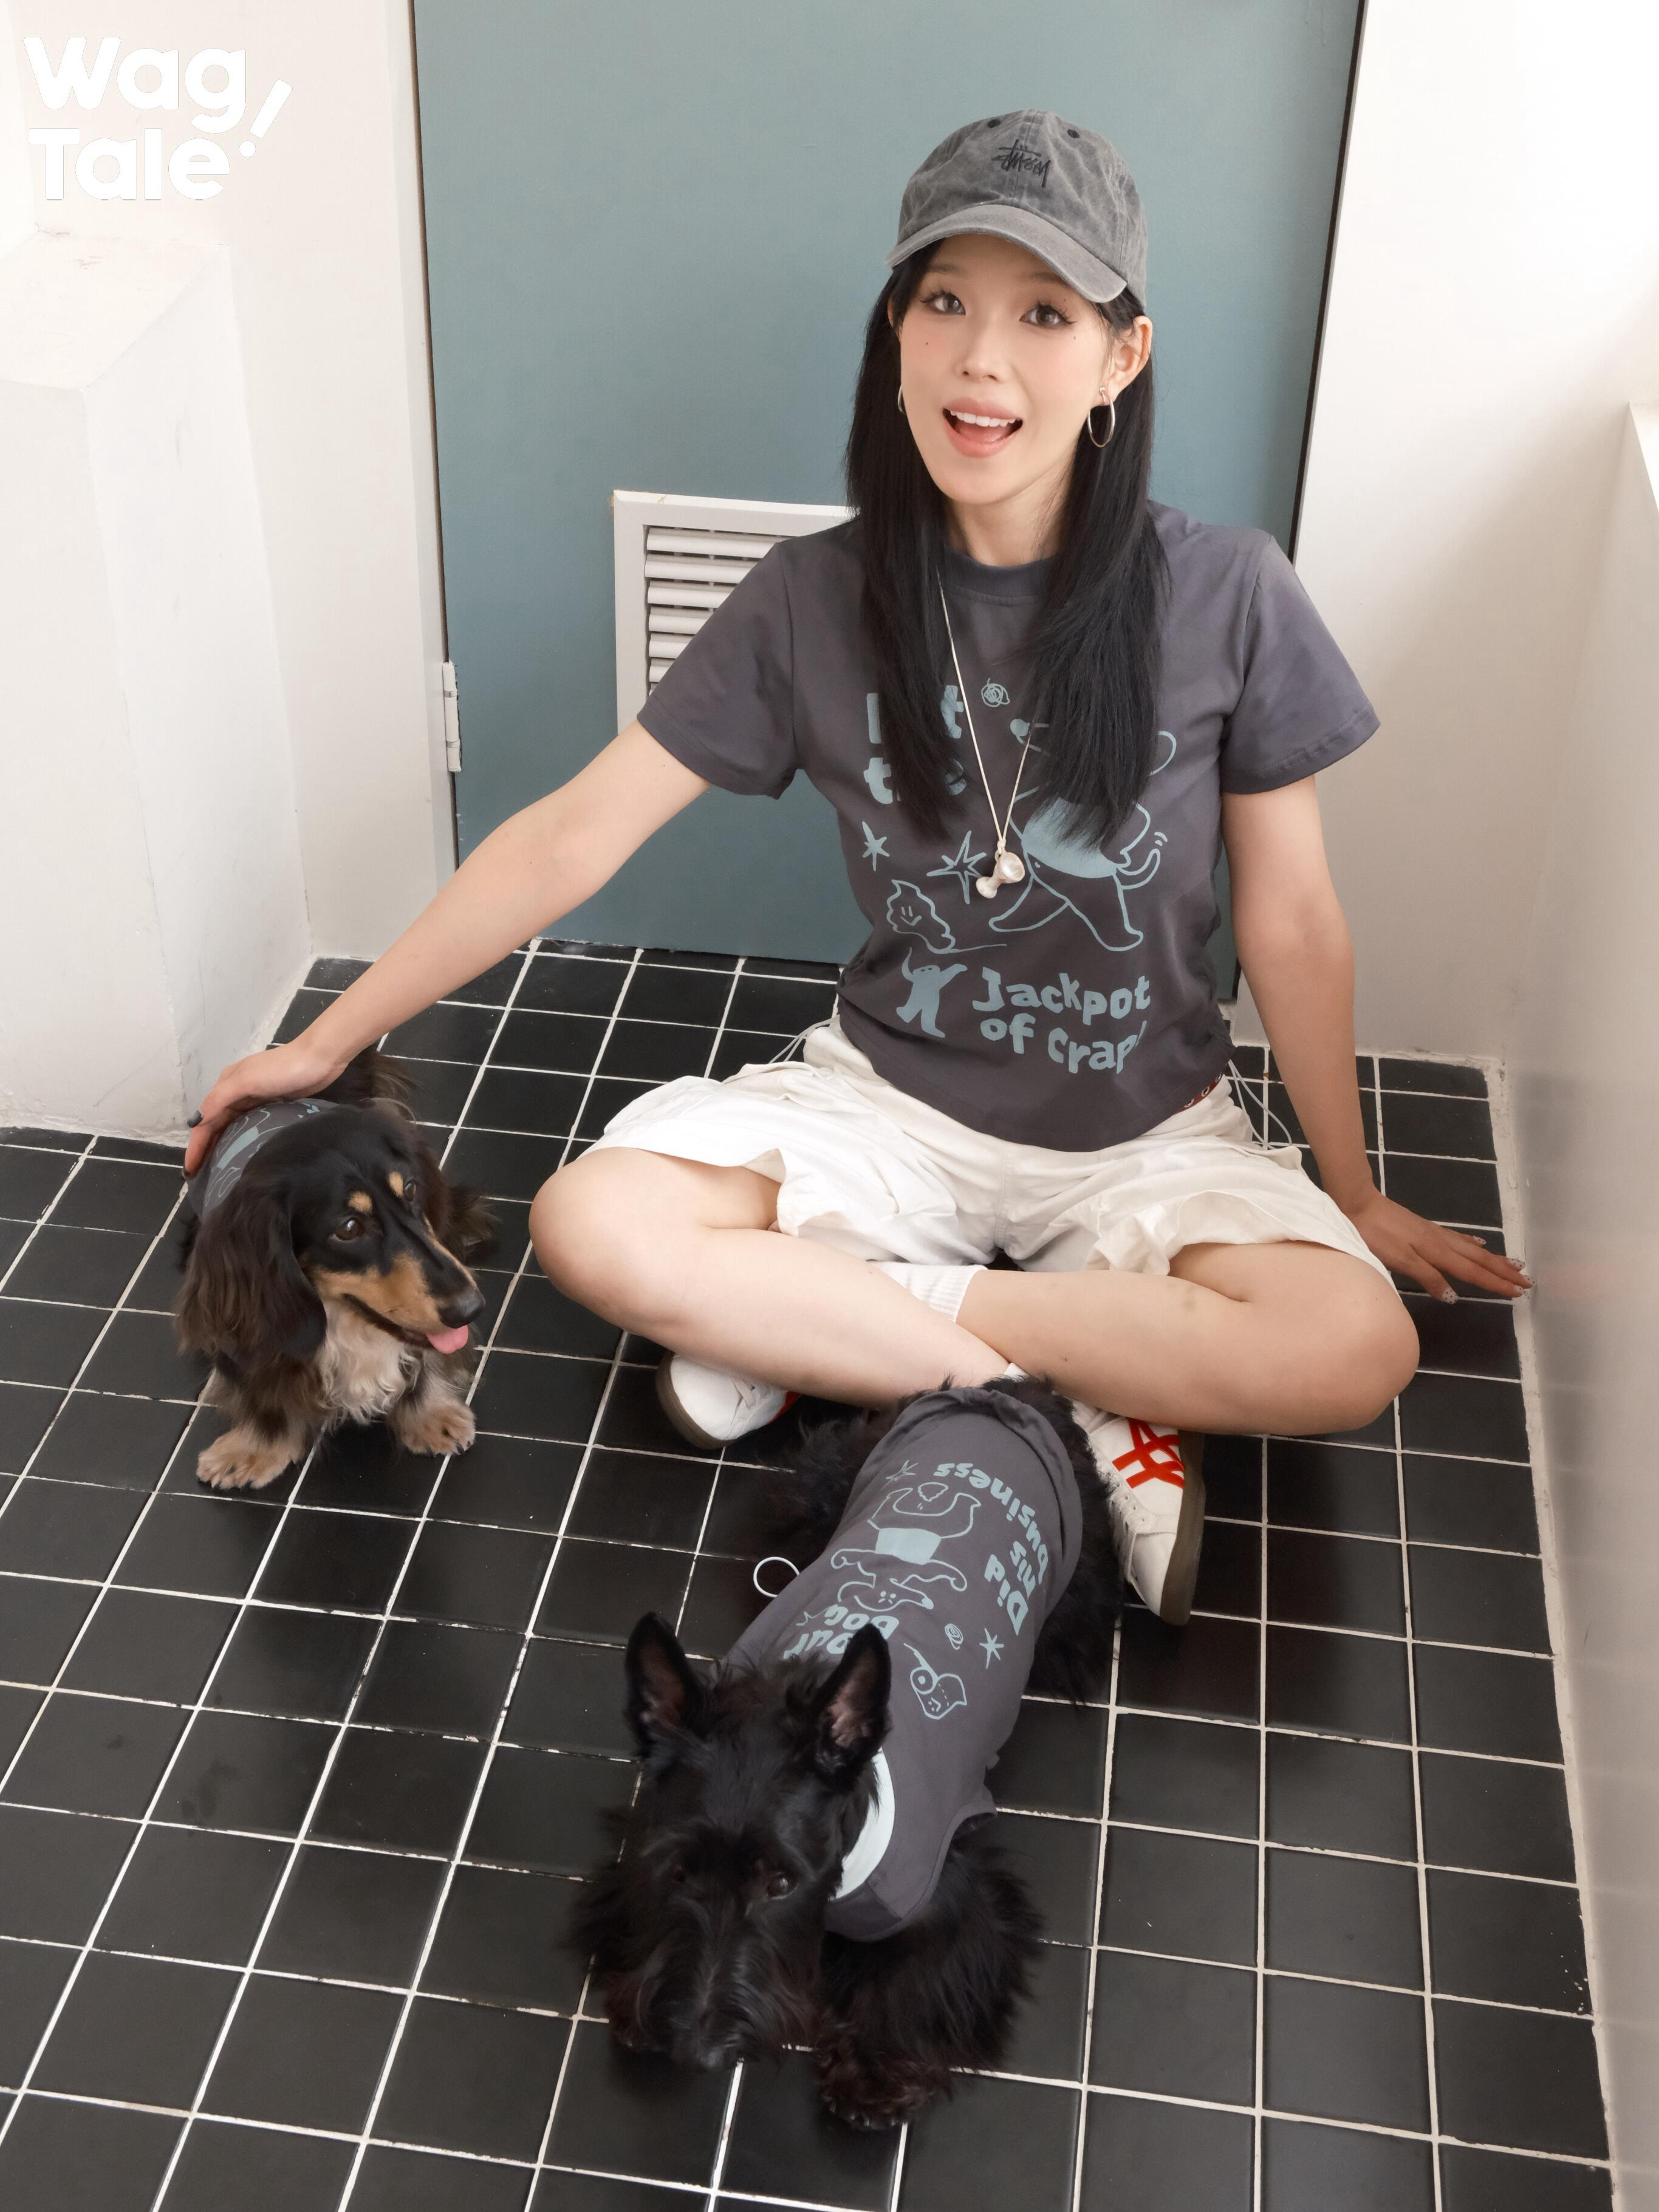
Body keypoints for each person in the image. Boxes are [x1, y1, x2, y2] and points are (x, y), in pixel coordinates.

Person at [186, 111, 1528, 1625]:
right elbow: (572, 833)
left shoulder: (1229, 593)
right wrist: (324, 1039)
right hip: (888, 1108)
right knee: (590, 1222)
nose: (981, 360)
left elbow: (1293, 919)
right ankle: (1089, 1394)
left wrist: (1347, 1191)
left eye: (1044, 314)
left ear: (1122, 358)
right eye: (944, 299)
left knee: (1355, 1345)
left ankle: (837, 1334)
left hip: (1150, 1130)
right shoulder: (808, 600)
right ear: (896, 326)